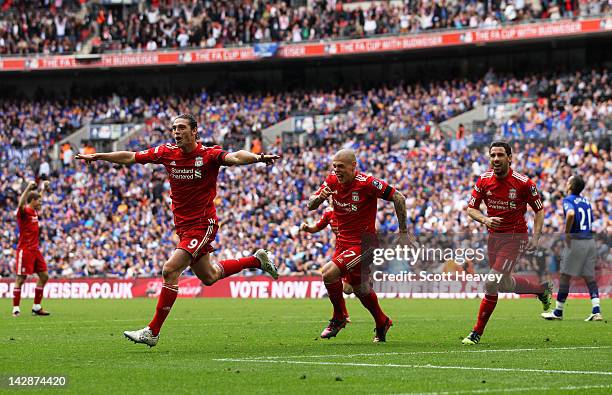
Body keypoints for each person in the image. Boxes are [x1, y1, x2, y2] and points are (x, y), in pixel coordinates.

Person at [75, 113, 280, 347]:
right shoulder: (166, 152)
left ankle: (152, 331)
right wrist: (100, 156)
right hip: (183, 227)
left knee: (170, 270)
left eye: (181, 127)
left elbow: (234, 157)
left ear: (194, 131)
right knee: (209, 276)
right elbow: (131, 156)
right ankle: (256, 261)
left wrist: (258, 157)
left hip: (203, 224)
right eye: (174, 128)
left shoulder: (208, 155)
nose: (176, 132)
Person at [307, 149, 408, 342]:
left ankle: (339, 317)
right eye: (334, 166)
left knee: (328, 273)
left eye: (341, 167)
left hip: (364, 244)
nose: (336, 170)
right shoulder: (331, 181)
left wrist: (403, 231)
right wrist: (319, 198)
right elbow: (310, 204)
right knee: (359, 288)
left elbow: (398, 197)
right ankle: (382, 321)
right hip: (343, 243)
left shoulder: (367, 183)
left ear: (354, 167)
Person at [462, 141, 552, 345]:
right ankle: (540, 290)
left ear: (510, 158)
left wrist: (536, 237)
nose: (496, 159)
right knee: (504, 283)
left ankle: (476, 333)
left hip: (515, 238)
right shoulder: (484, 181)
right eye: (492, 155)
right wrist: (485, 219)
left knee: (491, 282)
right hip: (494, 237)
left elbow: (539, 210)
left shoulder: (523, 183)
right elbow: (470, 209)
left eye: (500, 155)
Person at [541, 175, 603, 321]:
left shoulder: (568, 200)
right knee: (589, 277)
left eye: (567, 180)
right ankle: (596, 310)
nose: (565, 182)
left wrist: (567, 233)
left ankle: (558, 312)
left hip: (576, 241)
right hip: (589, 242)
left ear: (570, 186)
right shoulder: (586, 201)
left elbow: (570, 214)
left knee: (565, 276)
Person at [300, 205, 352, 320]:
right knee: (333, 279)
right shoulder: (329, 213)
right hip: (340, 249)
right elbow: (317, 227)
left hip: (354, 248)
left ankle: (364, 277)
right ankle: (343, 315)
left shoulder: (351, 207)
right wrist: (307, 228)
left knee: (348, 290)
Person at [12, 180, 51, 317]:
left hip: (35, 250)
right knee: (21, 279)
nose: (40, 203)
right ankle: (16, 308)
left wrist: (43, 189)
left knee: (44, 276)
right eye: (38, 201)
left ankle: (36, 307)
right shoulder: (24, 212)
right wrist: (28, 188)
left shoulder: (34, 211)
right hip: (25, 250)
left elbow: (38, 196)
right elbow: (21, 203)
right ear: (32, 200)